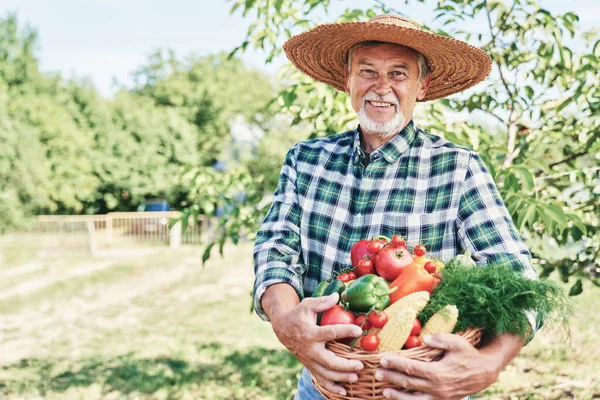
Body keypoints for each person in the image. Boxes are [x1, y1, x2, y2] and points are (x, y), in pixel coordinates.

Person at [253, 14, 537, 400]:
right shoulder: (306, 159)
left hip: (423, 386)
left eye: (399, 74)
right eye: (367, 71)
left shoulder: (457, 167)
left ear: (423, 86)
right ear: (348, 81)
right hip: (323, 384)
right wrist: (287, 323)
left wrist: (489, 365)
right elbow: (275, 249)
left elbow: (517, 277)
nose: (381, 87)